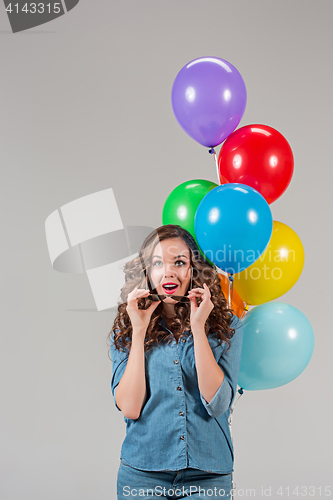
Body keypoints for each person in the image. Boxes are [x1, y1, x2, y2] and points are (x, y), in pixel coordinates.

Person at [108, 224, 243, 499]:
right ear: (147, 272)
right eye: (157, 263)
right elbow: (130, 407)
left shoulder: (227, 326)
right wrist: (138, 331)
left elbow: (217, 403)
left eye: (179, 262)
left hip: (208, 476)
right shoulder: (127, 327)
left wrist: (198, 327)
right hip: (142, 475)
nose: (168, 272)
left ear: (194, 270)